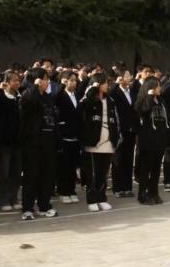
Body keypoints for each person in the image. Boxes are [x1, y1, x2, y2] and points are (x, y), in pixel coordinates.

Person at [19, 68, 59, 220]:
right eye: (45, 79)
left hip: (49, 141)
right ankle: (27, 208)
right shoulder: (28, 95)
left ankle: (44, 206)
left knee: (47, 175)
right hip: (33, 143)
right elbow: (26, 105)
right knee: (31, 176)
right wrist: (35, 87)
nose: (48, 82)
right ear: (37, 80)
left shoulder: (49, 98)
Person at [80, 72, 117, 212]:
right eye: (104, 83)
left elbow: (115, 119)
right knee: (92, 174)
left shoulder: (110, 100)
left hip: (108, 141)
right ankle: (92, 199)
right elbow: (81, 108)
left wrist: (116, 137)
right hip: (93, 143)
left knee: (103, 173)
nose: (107, 85)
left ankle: (102, 198)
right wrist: (92, 90)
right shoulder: (89, 99)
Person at [0, 71, 22, 212]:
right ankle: (3, 199)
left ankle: (14, 197)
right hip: (3, 142)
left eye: (18, 80)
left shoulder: (18, 97)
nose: (17, 83)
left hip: (17, 141)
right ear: (6, 82)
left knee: (16, 171)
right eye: (14, 80)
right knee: (3, 172)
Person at [135, 76, 168, 205]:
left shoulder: (160, 100)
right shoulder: (144, 100)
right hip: (147, 140)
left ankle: (154, 192)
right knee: (145, 169)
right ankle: (142, 194)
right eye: (158, 86)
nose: (160, 88)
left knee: (156, 169)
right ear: (151, 87)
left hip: (159, 139)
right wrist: (149, 97)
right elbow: (144, 111)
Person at [109, 70, 138, 198]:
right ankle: (117, 188)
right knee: (118, 159)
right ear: (120, 78)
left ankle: (127, 187)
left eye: (130, 75)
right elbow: (109, 96)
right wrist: (116, 84)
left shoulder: (132, 92)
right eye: (126, 76)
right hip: (120, 130)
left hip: (131, 130)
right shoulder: (114, 92)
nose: (129, 77)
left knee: (128, 158)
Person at [55, 72, 82, 204]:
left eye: (75, 80)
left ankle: (71, 190)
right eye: (71, 80)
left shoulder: (77, 95)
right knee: (64, 166)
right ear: (65, 81)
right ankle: (63, 191)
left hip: (76, 136)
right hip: (64, 136)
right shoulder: (60, 95)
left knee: (72, 166)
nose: (74, 82)